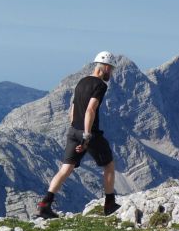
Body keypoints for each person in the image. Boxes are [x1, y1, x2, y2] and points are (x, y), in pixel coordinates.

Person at [37, 51, 120, 219]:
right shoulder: (100, 86)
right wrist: (87, 134)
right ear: (104, 67)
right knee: (109, 165)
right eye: (110, 69)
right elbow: (91, 109)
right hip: (89, 133)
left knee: (65, 169)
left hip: (73, 130)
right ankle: (110, 204)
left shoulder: (81, 82)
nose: (110, 72)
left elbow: (73, 109)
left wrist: (75, 129)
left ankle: (45, 204)